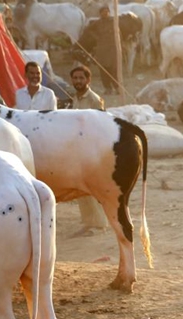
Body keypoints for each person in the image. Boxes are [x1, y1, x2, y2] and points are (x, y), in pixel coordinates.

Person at [69, 65, 108, 237]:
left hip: (91, 149)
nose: (78, 81)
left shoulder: (94, 99)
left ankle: (98, 224)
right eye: (75, 78)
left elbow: (100, 125)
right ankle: (88, 221)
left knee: (91, 187)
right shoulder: (75, 98)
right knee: (80, 187)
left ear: (88, 80)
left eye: (81, 78)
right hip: (79, 149)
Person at [93, 5, 120, 95]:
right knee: (103, 69)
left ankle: (117, 87)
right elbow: (89, 32)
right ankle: (107, 88)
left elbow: (120, 33)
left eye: (107, 11)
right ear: (100, 13)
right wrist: (97, 38)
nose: (105, 13)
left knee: (114, 69)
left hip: (112, 49)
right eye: (103, 12)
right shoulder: (97, 24)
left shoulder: (114, 22)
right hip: (101, 50)